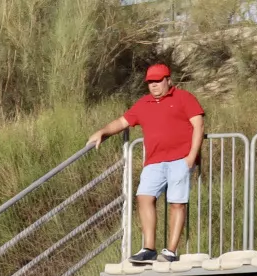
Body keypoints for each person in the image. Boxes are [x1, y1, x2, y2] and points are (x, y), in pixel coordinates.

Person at [88, 64, 207, 263]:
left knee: (177, 203)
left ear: (168, 80)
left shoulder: (184, 98)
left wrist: (191, 156)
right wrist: (102, 132)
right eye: (150, 82)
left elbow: (198, 125)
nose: (154, 86)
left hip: (180, 159)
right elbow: (122, 122)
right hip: (154, 161)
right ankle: (148, 248)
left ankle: (170, 251)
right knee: (144, 198)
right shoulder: (143, 103)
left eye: (158, 81)